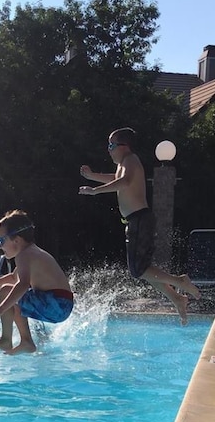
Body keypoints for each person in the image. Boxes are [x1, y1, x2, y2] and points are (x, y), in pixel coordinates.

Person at [79, 127, 200, 324]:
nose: (108, 150)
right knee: (144, 269)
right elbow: (117, 178)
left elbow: (124, 182)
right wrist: (93, 176)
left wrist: (95, 191)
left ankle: (180, 281)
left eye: (111, 145)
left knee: (138, 271)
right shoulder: (126, 163)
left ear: (123, 146)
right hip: (136, 221)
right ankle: (177, 298)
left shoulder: (131, 160)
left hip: (139, 220)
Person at [0, 209, 74, 355]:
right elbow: (13, 278)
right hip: (61, 305)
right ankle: (22, 340)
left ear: (16, 239)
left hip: (55, 303)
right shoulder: (31, 253)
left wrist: (0, 309)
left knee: (8, 292)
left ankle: (18, 340)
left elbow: (22, 284)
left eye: (1, 240)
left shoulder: (24, 255)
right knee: (12, 294)